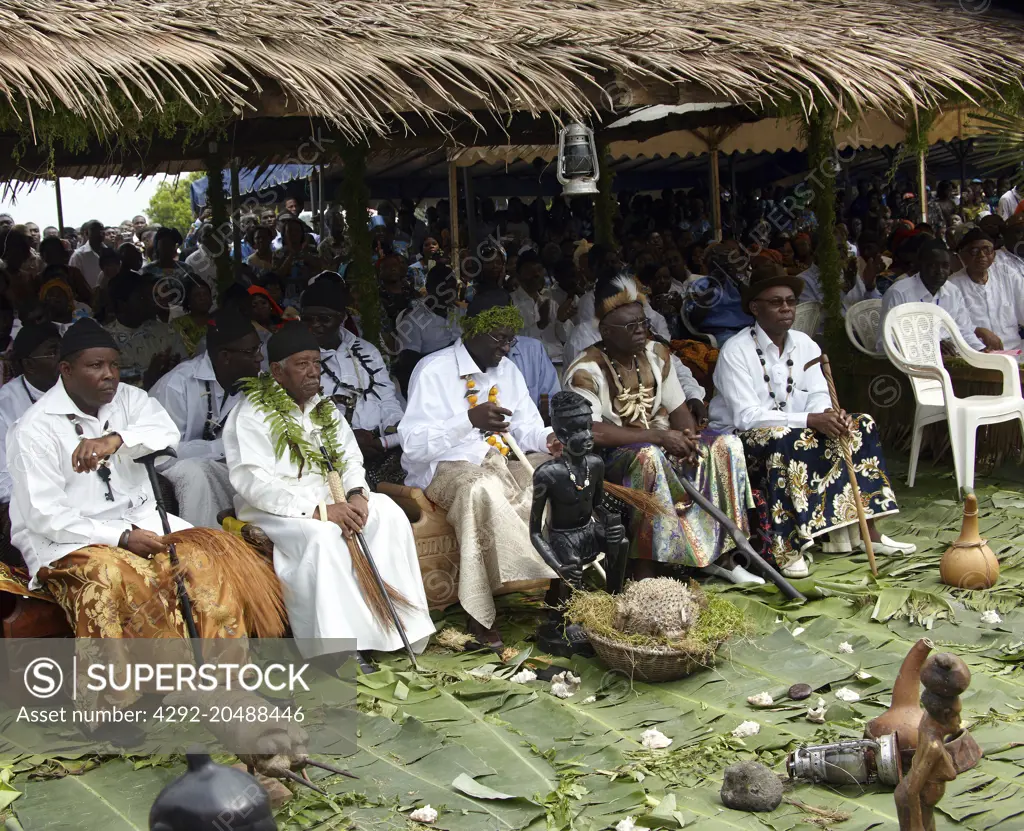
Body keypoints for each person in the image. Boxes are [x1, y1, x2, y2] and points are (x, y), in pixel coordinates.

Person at [7, 318, 278, 646]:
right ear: (66, 369)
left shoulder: (128, 399)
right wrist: (120, 537)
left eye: (114, 365)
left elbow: (166, 433)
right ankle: (145, 688)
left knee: (206, 559)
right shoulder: (34, 429)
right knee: (121, 576)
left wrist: (117, 439)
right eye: (96, 365)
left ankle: (222, 677)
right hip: (69, 540)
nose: (110, 374)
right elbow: (45, 515)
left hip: (141, 521)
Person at [223, 324, 434, 664]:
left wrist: (356, 495)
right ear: (277, 371)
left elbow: (350, 457)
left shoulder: (324, 408)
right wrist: (320, 509)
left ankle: (397, 630)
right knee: (323, 536)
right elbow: (253, 482)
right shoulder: (250, 414)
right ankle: (340, 650)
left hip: (333, 497)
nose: (313, 372)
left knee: (388, 514)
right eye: (302, 364)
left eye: (317, 363)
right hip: (276, 508)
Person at [709, 263, 914, 578]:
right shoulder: (735, 350)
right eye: (776, 302)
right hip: (740, 441)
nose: (786, 308)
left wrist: (831, 415)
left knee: (860, 425)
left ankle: (867, 533)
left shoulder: (806, 345)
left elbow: (819, 393)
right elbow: (747, 417)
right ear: (755, 307)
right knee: (780, 439)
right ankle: (788, 549)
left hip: (795, 430)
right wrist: (811, 419)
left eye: (791, 301)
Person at [565, 275, 758, 584]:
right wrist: (658, 437)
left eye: (643, 323)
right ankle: (648, 569)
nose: (641, 330)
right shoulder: (585, 369)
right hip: (610, 457)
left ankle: (721, 555)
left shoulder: (657, 354)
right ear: (605, 332)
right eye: (631, 327)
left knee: (726, 445)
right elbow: (590, 431)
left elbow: (680, 410)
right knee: (648, 457)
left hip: (660, 440)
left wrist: (687, 438)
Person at [399, 292, 559, 648]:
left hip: (499, 460)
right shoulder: (433, 370)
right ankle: (479, 615)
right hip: (443, 468)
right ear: (473, 331)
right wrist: (468, 420)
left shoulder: (508, 371)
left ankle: (555, 589)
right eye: (499, 339)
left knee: (553, 476)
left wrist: (549, 441)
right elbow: (413, 444)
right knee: (480, 488)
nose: (505, 348)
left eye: (509, 340)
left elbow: (527, 426)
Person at [151, 310, 264, 528]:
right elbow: (162, 453)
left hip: (229, 466)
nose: (259, 357)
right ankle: (202, 550)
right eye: (251, 351)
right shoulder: (177, 385)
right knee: (195, 472)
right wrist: (222, 448)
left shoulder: (256, 384)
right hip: (175, 469)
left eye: (258, 349)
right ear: (225, 356)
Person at [300, 280, 407, 487]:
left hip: (380, 444)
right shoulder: (297, 361)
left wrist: (393, 432)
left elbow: (387, 399)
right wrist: (347, 440)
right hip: (329, 454)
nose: (314, 326)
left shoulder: (366, 350)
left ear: (342, 317)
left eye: (324, 318)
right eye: (307, 319)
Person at [0, 322, 61, 563]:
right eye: (53, 351)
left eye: (63, 350)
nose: (62, 359)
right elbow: (3, 478)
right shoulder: (5, 405)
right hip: (29, 500)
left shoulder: (80, 389)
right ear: (28, 364)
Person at [876, 239, 984, 353]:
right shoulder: (898, 293)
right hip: (911, 363)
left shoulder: (953, 292)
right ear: (920, 266)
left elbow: (965, 332)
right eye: (933, 265)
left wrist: (982, 350)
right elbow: (885, 344)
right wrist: (930, 346)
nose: (940, 271)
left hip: (949, 359)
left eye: (945, 266)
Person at [104, 271, 187, 388]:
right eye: (142, 297)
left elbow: (186, 372)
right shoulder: (105, 341)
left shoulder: (167, 332)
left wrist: (175, 370)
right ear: (122, 304)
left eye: (151, 295)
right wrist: (149, 376)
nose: (152, 301)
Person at [948, 228, 1024, 353]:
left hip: (1014, 349)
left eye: (987, 250)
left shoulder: (1007, 274)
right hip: (976, 354)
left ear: (994, 255)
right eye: (974, 251)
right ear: (963, 256)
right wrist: (977, 330)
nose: (982, 255)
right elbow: (953, 326)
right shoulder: (952, 285)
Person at [684, 242, 754, 344]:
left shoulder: (741, 283)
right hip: (722, 333)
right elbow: (694, 319)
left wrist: (736, 280)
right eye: (720, 264)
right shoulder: (700, 284)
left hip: (749, 329)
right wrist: (712, 286)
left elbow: (753, 304)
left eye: (729, 264)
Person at [511, 250, 562, 366]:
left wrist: (562, 320)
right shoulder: (511, 303)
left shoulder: (550, 303)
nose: (536, 275)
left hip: (557, 362)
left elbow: (565, 337)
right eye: (530, 271)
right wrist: (540, 325)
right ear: (518, 276)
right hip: (528, 364)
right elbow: (513, 340)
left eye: (539, 270)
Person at [171, 276, 215, 357]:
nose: (203, 298)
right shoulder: (178, 324)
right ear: (188, 301)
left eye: (205, 294)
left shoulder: (218, 321)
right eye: (197, 295)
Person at [68, 220, 111, 289]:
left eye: (101, 229)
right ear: (87, 233)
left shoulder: (110, 252)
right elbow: (74, 281)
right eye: (95, 229)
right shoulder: (78, 255)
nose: (100, 232)